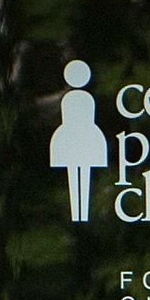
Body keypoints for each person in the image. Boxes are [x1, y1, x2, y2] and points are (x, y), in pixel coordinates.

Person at [50, 59, 110, 221]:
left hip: (75, 136)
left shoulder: (72, 98)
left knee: (81, 175)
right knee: (81, 175)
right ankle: (79, 214)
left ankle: (80, 214)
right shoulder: (82, 99)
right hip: (84, 136)